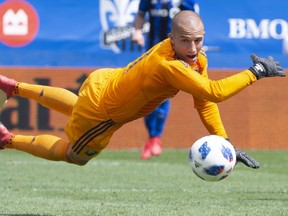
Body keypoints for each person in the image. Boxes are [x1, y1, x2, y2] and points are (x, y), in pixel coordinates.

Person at [0, 11, 285, 169]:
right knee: (74, 156)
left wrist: (224, 141)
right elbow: (215, 92)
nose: (193, 48)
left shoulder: (192, 58)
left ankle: (14, 87)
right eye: (185, 41)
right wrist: (256, 72)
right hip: (102, 114)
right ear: (171, 38)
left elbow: (204, 102)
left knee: (76, 106)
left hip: (102, 81)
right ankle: (7, 140)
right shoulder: (168, 66)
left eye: (198, 40)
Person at [132, 0, 200, 160]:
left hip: (173, 56)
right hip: (152, 53)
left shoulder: (185, 1)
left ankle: (156, 138)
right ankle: (152, 138)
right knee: (146, 94)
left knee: (163, 94)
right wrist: (137, 31)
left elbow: (195, 21)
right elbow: (141, 14)